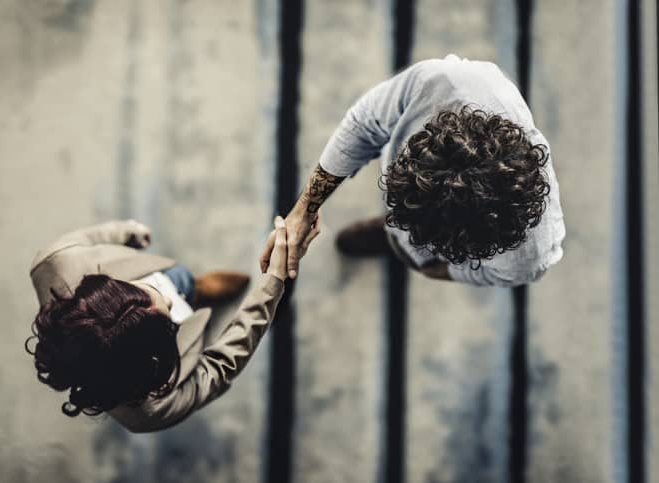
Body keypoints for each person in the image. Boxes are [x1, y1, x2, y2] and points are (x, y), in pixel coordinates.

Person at [261, 54, 565, 287]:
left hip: (442, 251)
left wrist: (436, 269)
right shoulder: (442, 82)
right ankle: (392, 236)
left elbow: (499, 274)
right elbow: (363, 124)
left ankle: (394, 242)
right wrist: (304, 209)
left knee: (410, 250)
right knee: (404, 236)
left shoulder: (528, 258)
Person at [27, 217, 304, 433]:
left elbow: (87, 239)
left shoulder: (55, 261)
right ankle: (196, 292)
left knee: (179, 280)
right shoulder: (151, 411)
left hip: (154, 287)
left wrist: (126, 231)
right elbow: (219, 368)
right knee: (180, 293)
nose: (169, 302)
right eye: (167, 320)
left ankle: (198, 288)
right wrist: (271, 286)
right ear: (147, 365)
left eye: (143, 290)